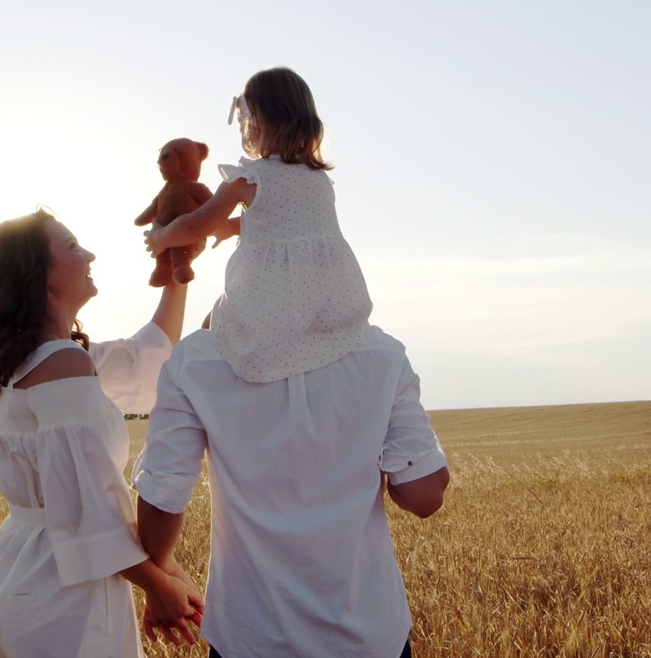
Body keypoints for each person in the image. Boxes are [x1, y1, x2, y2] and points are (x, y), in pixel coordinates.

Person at [132, 69, 451, 657]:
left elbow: (164, 496)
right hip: (371, 639)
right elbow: (425, 495)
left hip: (251, 639)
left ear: (256, 122)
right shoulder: (381, 356)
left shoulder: (198, 363)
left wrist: (166, 239)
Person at [0, 208, 203, 657]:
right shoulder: (62, 365)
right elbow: (90, 509)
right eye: (72, 246)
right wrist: (159, 585)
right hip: (64, 592)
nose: (89, 254)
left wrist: (177, 272)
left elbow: (147, 362)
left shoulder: (44, 358)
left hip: (22, 571)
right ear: (40, 275)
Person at [143, 66, 373, 383]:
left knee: (212, 331)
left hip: (268, 293)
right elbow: (283, 224)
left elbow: (196, 225)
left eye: (242, 121)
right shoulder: (318, 180)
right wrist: (233, 227)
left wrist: (161, 237)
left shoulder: (249, 178)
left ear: (257, 122)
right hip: (326, 295)